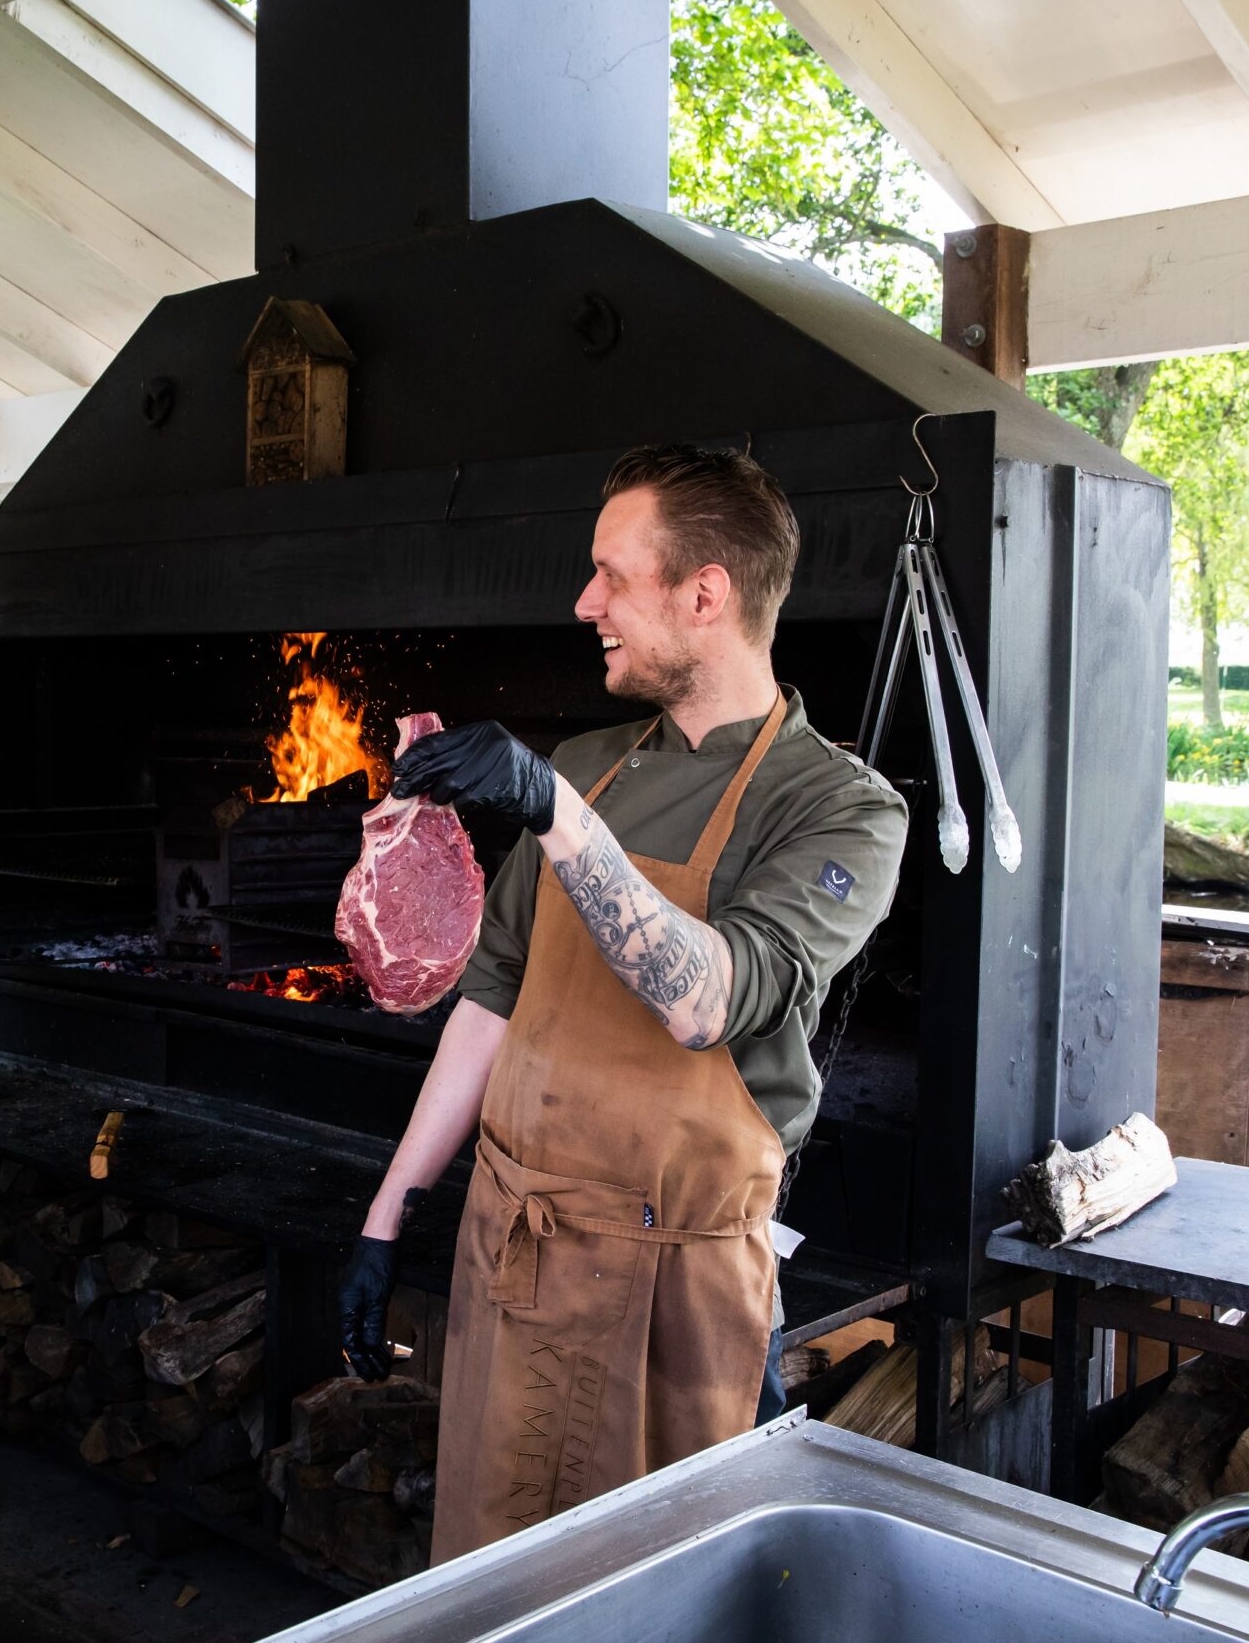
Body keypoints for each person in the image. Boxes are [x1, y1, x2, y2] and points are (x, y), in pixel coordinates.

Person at [337, 444, 910, 1562]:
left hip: (676, 1292)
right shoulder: (592, 761)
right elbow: (491, 999)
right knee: (497, 1581)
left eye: (611, 574)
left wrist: (550, 809)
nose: (583, 602)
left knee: (659, 1599)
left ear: (706, 594)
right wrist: (388, 1208)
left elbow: (708, 998)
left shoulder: (841, 806)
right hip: (514, 1258)